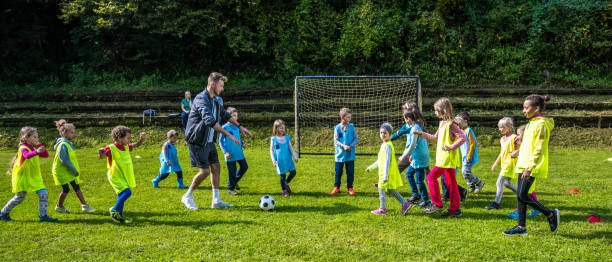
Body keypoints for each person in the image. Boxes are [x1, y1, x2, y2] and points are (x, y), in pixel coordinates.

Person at [182, 72, 253, 210]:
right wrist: (229, 135)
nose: (222, 88)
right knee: (204, 172)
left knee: (216, 167)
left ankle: (216, 200)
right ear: (212, 84)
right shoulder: (201, 99)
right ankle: (187, 196)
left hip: (209, 141)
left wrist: (240, 127)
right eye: (221, 85)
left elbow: (224, 114)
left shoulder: (215, 99)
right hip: (198, 140)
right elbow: (210, 121)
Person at [503, 95, 559, 236]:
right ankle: (521, 228)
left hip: (531, 166)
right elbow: (528, 145)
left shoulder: (541, 125)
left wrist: (530, 167)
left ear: (537, 108)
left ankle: (550, 214)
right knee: (520, 197)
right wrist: (518, 152)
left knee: (523, 195)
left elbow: (538, 149)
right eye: (523, 107)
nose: (524, 110)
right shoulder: (531, 123)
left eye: (526, 108)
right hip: (522, 163)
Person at [413, 98, 466, 217]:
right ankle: (455, 210)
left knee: (431, 177)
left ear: (443, 110)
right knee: (451, 183)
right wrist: (421, 133)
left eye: (436, 110)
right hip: (444, 158)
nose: (434, 113)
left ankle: (437, 203)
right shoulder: (442, 123)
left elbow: (463, 138)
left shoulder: (451, 124)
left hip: (446, 158)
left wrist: (451, 147)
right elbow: (435, 137)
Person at [1, 127, 58, 222]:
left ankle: (43, 216)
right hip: (23, 177)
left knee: (43, 194)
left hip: (34, 177)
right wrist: (36, 151)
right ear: (26, 137)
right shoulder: (23, 147)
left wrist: (39, 145)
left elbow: (46, 155)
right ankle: (3, 213)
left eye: (37, 137)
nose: (37, 139)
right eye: (34, 137)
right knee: (19, 198)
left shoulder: (34, 147)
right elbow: (26, 155)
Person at [98, 126, 146, 223]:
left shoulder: (126, 146)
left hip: (123, 176)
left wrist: (142, 139)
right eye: (128, 138)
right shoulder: (111, 148)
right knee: (127, 193)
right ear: (120, 138)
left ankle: (118, 216)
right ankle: (115, 210)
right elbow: (103, 157)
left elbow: (136, 145)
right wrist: (101, 152)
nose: (129, 140)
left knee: (122, 195)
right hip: (115, 176)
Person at [366, 123, 411, 215]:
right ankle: (405, 204)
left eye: (385, 133)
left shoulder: (388, 146)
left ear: (390, 135)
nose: (383, 134)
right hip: (384, 172)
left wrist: (385, 175)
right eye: (381, 132)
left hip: (386, 173)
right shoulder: (384, 145)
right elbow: (380, 160)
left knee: (381, 188)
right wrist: (371, 168)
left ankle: (382, 209)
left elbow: (387, 161)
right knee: (390, 189)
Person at [51, 119, 96, 214]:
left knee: (76, 186)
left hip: (67, 170)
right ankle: (59, 206)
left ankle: (84, 206)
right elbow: (64, 159)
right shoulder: (63, 144)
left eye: (74, 132)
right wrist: (74, 170)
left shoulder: (67, 143)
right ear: (63, 133)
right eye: (71, 132)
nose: (74, 134)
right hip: (61, 171)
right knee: (66, 189)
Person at [392, 108, 431, 207]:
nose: (404, 120)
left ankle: (426, 200)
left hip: (420, 157)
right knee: (409, 174)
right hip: (416, 156)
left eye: (404, 118)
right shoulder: (413, 127)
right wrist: (411, 156)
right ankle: (416, 195)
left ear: (408, 118)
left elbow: (413, 145)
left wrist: (404, 156)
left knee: (419, 180)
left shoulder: (415, 128)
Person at [219, 107, 249, 195]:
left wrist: (242, 143)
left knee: (244, 167)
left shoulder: (236, 127)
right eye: (233, 116)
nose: (235, 118)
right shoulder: (224, 127)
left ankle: (234, 182)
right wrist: (225, 152)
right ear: (228, 116)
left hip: (238, 152)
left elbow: (237, 138)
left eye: (236, 116)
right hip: (230, 153)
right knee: (232, 171)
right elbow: (220, 141)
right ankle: (230, 189)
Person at [455, 112, 485, 193]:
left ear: (465, 121)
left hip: (469, 155)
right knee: (465, 172)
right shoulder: (461, 131)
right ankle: (471, 186)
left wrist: (469, 156)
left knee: (466, 171)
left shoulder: (468, 130)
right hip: (464, 155)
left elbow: (473, 143)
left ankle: (479, 183)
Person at [331, 108, 358, 195]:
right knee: (338, 171)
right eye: (348, 117)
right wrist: (343, 146)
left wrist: (351, 145)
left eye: (350, 117)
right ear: (342, 117)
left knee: (350, 171)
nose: (350, 119)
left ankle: (350, 188)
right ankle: (336, 187)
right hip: (340, 154)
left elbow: (356, 138)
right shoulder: (337, 128)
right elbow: (336, 140)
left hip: (350, 154)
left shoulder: (352, 126)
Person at [270, 119, 298, 197]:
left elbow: (291, 148)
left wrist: (295, 157)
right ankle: (284, 190)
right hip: (280, 161)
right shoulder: (273, 139)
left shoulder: (286, 138)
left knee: (293, 172)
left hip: (288, 160)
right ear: (276, 128)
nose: (282, 129)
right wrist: (273, 160)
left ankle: (286, 183)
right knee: (283, 176)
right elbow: (271, 150)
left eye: (283, 127)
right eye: (280, 128)